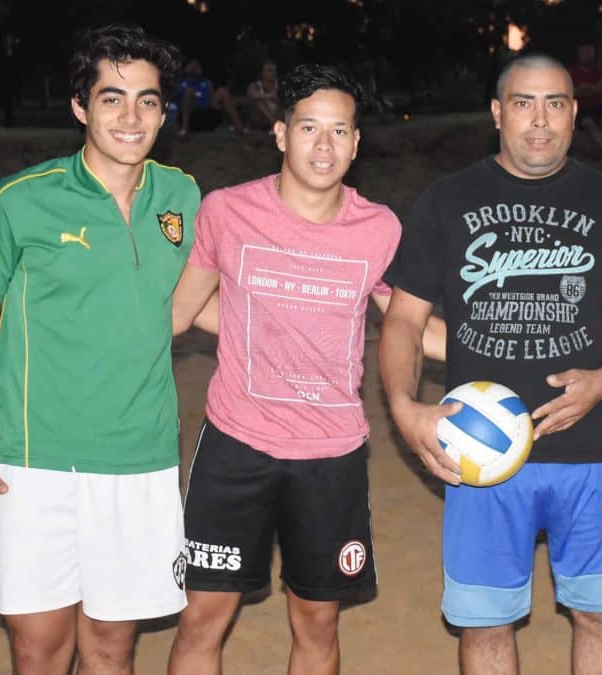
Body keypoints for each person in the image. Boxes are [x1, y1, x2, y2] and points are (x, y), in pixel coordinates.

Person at [379, 54, 602, 675]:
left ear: (574, 113)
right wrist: (404, 409)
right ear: (497, 113)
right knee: (485, 624)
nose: (540, 120)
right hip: (479, 456)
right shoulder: (446, 202)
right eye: (523, 103)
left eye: (555, 104)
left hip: (592, 451)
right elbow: (403, 320)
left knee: (601, 617)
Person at [166, 64, 446, 675]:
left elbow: (413, 327)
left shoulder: (379, 229)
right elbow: (180, 312)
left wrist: (509, 350)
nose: (324, 145)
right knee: (202, 618)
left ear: (356, 142)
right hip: (235, 444)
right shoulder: (227, 211)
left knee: (316, 623)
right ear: (280, 134)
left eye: (339, 131)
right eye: (309, 128)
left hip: (330, 454)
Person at [0, 24, 199, 674]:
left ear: (163, 113)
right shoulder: (17, 202)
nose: (131, 117)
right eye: (112, 98)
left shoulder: (182, 197)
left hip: (139, 459)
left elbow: (189, 305)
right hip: (32, 465)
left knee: (111, 650)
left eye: (147, 100)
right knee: (40, 650)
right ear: (80, 106)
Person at [568, 43, 602, 161]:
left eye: (590, 53)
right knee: (588, 123)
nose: (588, 56)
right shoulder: (572, 72)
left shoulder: (599, 71)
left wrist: (586, 89)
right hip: (581, 109)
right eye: (585, 53)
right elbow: (571, 91)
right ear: (579, 55)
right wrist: (593, 89)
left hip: (598, 106)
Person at [177, 58, 247, 138]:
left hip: (207, 115)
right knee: (189, 93)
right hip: (193, 116)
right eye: (195, 66)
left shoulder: (206, 82)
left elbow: (211, 100)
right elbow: (180, 103)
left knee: (222, 91)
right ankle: (184, 130)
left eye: (198, 66)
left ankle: (240, 128)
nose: (198, 68)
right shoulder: (183, 84)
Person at [246, 60, 279, 130]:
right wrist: (270, 96)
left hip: (278, 114)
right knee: (258, 101)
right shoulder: (255, 85)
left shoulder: (279, 84)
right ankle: (273, 123)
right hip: (261, 118)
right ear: (262, 73)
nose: (272, 73)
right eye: (269, 70)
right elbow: (253, 95)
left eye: (274, 70)